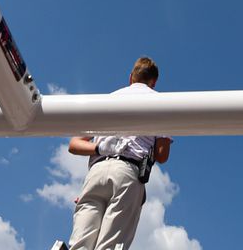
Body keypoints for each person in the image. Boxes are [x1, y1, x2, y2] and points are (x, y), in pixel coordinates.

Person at [64, 57, 172, 250]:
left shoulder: (109, 99)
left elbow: (73, 144)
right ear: (153, 82)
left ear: (131, 77)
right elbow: (162, 155)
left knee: (79, 245)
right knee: (109, 247)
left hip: (97, 172)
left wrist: (100, 148)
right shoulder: (160, 103)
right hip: (128, 173)